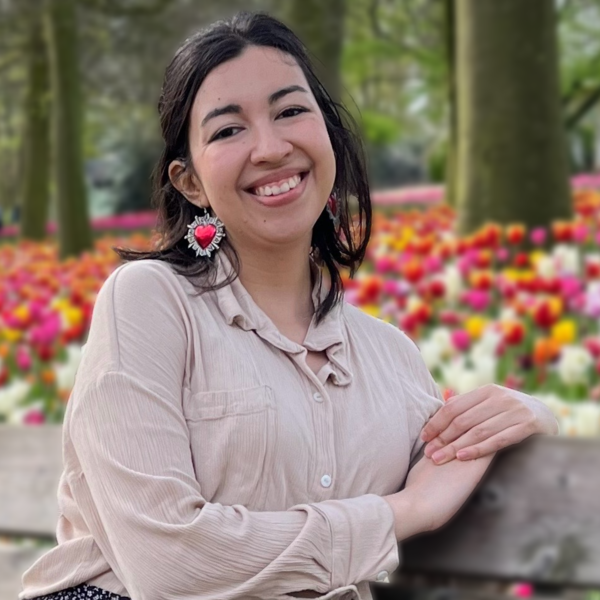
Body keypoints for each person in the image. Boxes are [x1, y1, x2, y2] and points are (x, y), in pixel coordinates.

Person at [20, 11, 558, 600]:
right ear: (190, 181)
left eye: (291, 111)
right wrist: (403, 511)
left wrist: (533, 416)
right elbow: (166, 564)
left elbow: (465, 453)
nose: (271, 147)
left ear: (326, 133)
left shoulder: (391, 359)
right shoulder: (151, 303)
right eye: (228, 131)